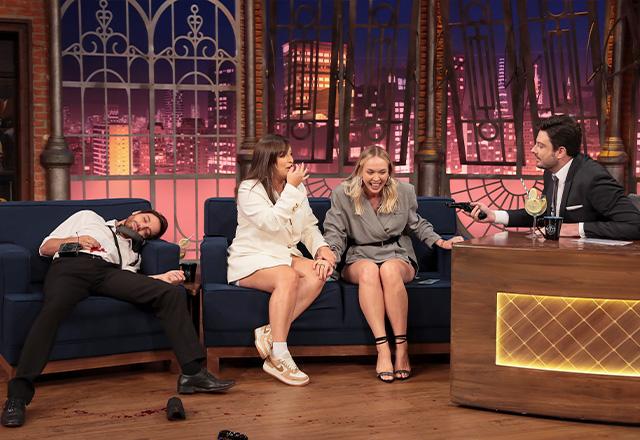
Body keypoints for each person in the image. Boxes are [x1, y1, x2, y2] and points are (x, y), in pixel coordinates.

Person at [1, 209, 234, 428]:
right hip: (71, 265)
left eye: (147, 232)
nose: (142, 229)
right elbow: (46, 247)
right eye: (144, 221)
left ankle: (192, 373)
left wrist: (161, 278)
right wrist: (76, 242)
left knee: (172, 293)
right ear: (134, 214)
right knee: (52, 312)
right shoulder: (88, 218)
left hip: (109, 273)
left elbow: (129, 281)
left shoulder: (131, 252)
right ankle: (18, 398)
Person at [322, 146, 464, 383]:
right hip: (360, 255)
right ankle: (383, 350)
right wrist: (330, 255)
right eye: (369, 172)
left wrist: (440, 241)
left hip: (397, 253)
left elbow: (416, 224)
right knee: (369, 270)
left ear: (390, 171)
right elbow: (334, 232)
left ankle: (402, 348)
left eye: (382, 172)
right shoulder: (342, 194)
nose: (376, 178)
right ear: (359, 170)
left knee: (387, 269)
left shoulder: (403, 191)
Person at [227, 134, 336, 386]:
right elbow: (272, 222)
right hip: (251, 257)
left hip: (283, 255)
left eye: (290, 154)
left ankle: (269, 331)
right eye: (284, 155)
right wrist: (291, 189)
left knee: (319, 272)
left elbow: (308, 226)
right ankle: (279, 354)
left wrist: (322, 248)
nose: (291, 159)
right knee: (287, 276)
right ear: (269, 159)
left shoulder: (295, 187)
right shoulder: (249, 189)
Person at [470, 114, 640, 240]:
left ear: (560, 152)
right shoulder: (551, 172)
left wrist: (576, 229)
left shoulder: (593, 178)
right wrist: (493, 215)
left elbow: (635, 225)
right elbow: (543, 215)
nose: (533, 150)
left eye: (540, 145)